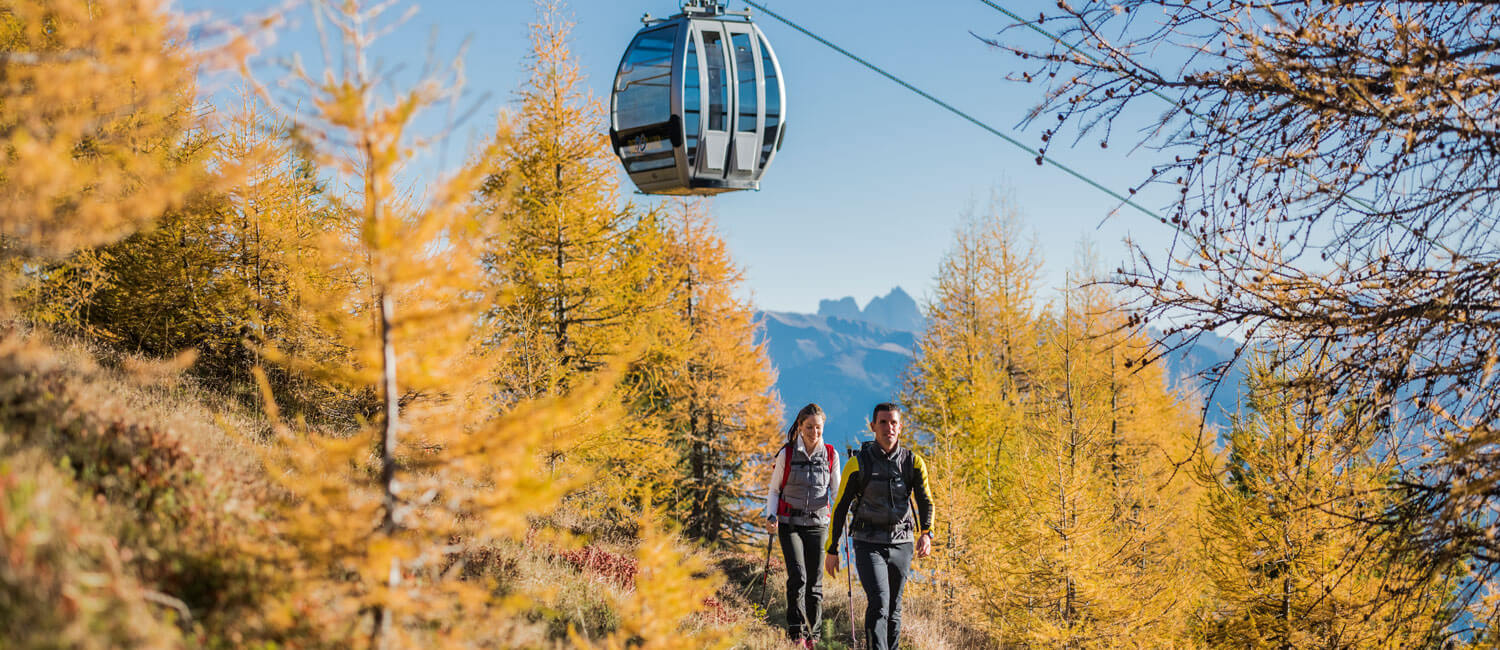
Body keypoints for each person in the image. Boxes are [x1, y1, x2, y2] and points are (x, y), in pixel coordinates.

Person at [824, 402, 934, 650]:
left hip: (901, 543)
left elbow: (925, 499)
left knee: (894, 607)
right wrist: (832, 550)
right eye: (883, 422)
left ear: (900, 427)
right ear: (873, 427)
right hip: (867, 542)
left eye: (893, 422)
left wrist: (926, 533)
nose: (889, 428)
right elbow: (840, 507)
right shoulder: (858, 463)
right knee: (880, 602)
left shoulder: (912, 462)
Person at [764, 403, 841, 649]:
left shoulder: (831, 455)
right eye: (809, 427)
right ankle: (796, 633)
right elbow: (774, 490)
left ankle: (813, 635)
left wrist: (843, 518)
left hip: (819, 524)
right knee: (798, 577)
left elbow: (837, 493)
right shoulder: (786, 453)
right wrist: (771, 516)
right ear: (799, 426)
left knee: (815, 582)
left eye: (818, 428)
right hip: (790, 524)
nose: (814, 432)